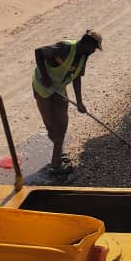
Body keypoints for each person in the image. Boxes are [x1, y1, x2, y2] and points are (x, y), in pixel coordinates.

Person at [32, 29, 102, 171]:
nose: (94, 51)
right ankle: (58, 155)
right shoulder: (65, 47)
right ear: (87, 44)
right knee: (51, 125)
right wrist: (45, 76)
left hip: (59, 89)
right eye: (94, 48)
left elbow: (76, 77)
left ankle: (56, 163)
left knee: (62, 123)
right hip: (42, 88)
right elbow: (39, 51)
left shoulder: (84, 56)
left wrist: (79, 102)